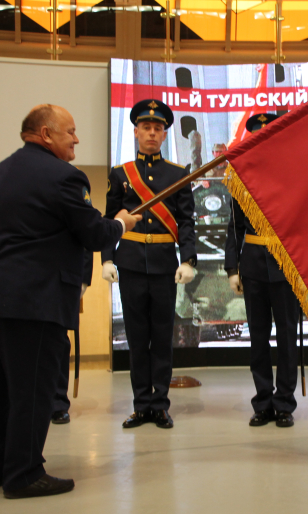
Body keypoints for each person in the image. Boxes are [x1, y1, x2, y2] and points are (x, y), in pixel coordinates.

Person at [0, 104, 139, 499]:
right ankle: (23, 474)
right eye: (70, 131)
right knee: (32, 389)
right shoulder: (63, 177)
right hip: (31, 302)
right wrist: (120, 224)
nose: (76, 139)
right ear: (45, 134)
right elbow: (93, 234)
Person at [101, 99, 197, 430]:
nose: (152, 133)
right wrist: (107, 257)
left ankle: (160, 406)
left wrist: (188, 259)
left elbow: (186, 221)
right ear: (136, 132)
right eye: (146, 127)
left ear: (165, 134)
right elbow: (109, 220)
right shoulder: (120, 174)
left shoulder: (177, 174)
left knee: (162, 337)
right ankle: (141, 405)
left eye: (158, 128)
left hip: (163, 265)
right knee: (137, 339)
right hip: (130, 264)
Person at [224, 113, 300, 428]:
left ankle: (284, 404)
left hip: (285, 265)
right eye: (258, 137)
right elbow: (234, 227)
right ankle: (263, 402)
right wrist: (232, 268)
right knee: (258, 338)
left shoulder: (294, 177)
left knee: (287, 337)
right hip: (253, 265)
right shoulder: (241, 179)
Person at [51, 251, 93, 425]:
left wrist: (83, 278)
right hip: (26, 276)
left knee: (58, 341)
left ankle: (58, 403)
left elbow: (85, 242)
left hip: (61, 278)